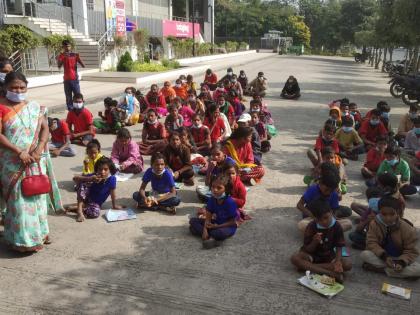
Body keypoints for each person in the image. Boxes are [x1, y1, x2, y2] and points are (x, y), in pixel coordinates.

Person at [0, 72, 62, 252]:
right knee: (19, 202)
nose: (18, 91)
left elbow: (44, 129)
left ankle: (40, 234)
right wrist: (19, 151)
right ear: (5, 88)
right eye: (13, 87)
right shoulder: (1, 107)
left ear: (27, 88)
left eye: (21, 87)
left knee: (37, 197)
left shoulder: (34, 107)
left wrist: (39, 148)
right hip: (13, 163)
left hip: (35, 161)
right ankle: (22, 241)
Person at [290, 199, 352, 283]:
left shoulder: (336, 226)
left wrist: (337, 262)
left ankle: (308, 267)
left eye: (326, 217)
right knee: (295, 258)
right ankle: (330, 273)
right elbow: (308, 249)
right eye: (319, 220)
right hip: (312, 256)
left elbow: (339, 246)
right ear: (314, 218)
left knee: (347, 264)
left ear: (331, 212)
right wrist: (314, 242)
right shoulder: (312, 226)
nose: (324, 222)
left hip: (329, 257)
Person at [360, 196, 420, 278]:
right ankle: (395, 272)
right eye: (384, 214)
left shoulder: (407, 229)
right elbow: (371, 243)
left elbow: (411, 251)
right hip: (383, 257)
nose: (388, 218)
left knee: (417, 270)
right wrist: (384, 257)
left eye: (392, 214)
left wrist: (401, 262)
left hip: (400, 258)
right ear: (379, 212)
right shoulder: (374, 224)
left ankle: (382, 270)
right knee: (365, 254)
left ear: (398, 212)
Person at [296, 165, 352, 233]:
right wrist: (313, 216)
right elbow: (299, 205)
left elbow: (334, 210)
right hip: (312, 218)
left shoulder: (334, 193)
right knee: (301, 225)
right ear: (320, 183)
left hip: (327, 219)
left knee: (348, 223)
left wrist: (332, 219)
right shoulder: (313, 190)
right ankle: (329, 233)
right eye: (326, 189)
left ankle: (323, 233)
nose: (328, 193)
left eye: (331, 190)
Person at [189, 174, 238, 249]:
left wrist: (217, 226)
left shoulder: (230, 202)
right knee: (192, 221)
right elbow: (208, 217)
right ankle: (211, 237)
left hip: (227, 226)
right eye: (213, 187)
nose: (214, 190)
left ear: (226, 190)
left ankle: (212, 236)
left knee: (219, 233)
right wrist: (205, 230)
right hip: (215, 223)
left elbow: (233, 222)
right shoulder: (212, 199)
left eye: (219, 188)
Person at [71, 157, 121, 222]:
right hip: (85, 198)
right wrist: (90, 179)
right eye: (100, 169)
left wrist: (114, 205)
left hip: (95, 204)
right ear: (97, 170)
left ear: (110, 170)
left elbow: (113, 193)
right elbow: (75, 178)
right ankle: (80, 211)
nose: (102, 172)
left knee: (95, 213)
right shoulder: (94, 176)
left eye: (105, 169)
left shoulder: (112, 179)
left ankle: (78, 208)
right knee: (83, 183)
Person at [57, 40, 85, 110]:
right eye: (65, 46)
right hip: (66, 80)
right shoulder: (61, 55)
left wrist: (79, 58)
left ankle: (81, 109)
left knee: (78, 96)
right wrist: (62, 58)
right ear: (63, 47)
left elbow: (83, 65)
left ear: (71, 46)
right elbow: (59, 66)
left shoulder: (75, 55)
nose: (67, 48)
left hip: (74, 79)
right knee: (68, 97)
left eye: (68, 46)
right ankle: (71, 111)